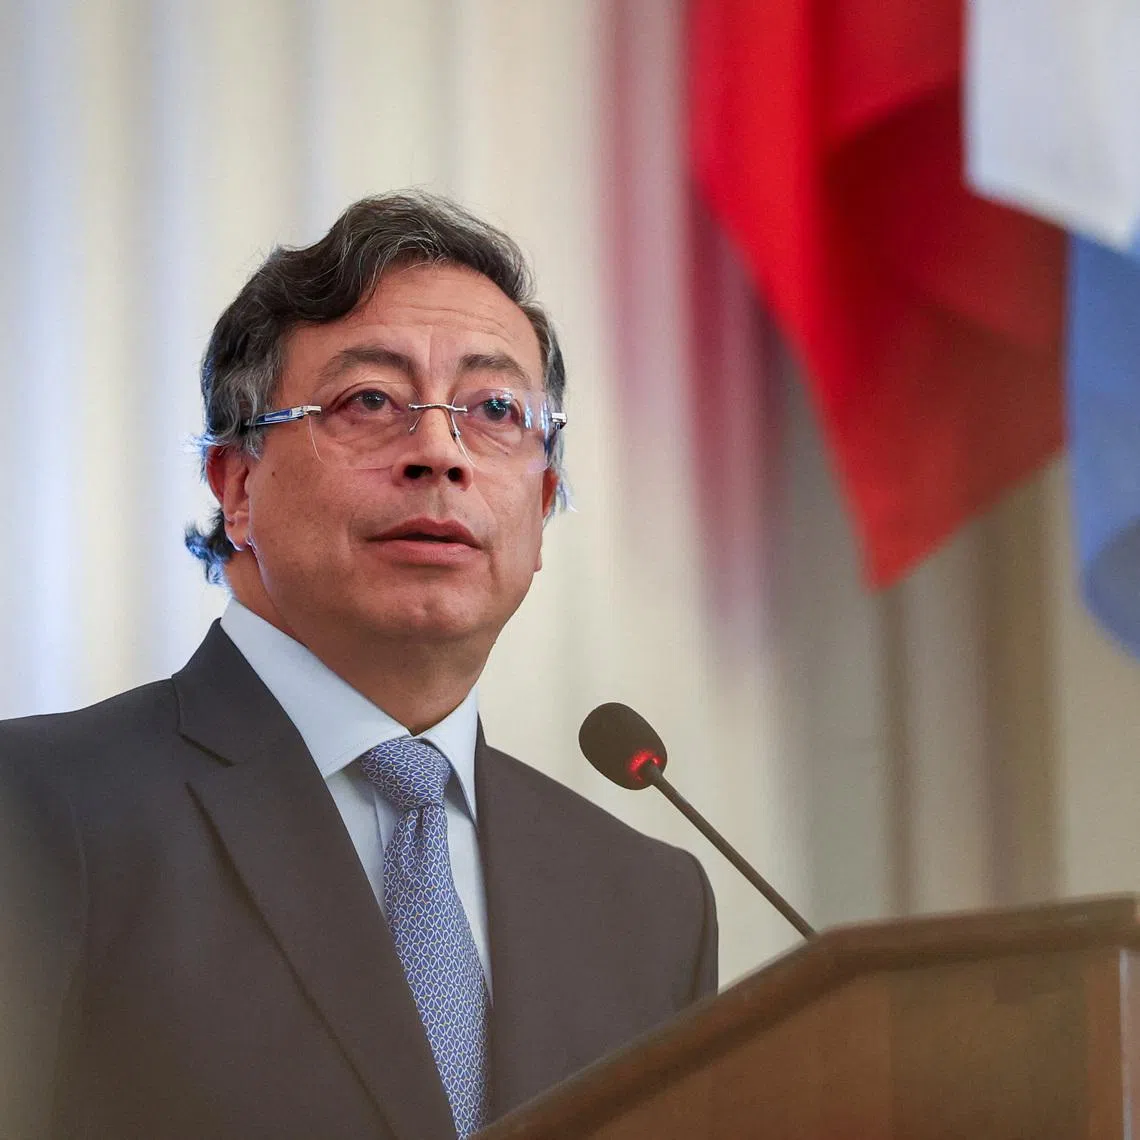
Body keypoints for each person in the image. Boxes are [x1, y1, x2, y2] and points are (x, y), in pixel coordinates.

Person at [0, 192, 717, 1140]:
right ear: (238, 485)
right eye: (369, 401)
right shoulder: (36, 811)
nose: (438, 452)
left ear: (542, 506)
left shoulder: (649, 901)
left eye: (496, 409)